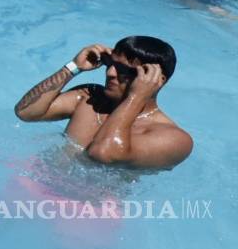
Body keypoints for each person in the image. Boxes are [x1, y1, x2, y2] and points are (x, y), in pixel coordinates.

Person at [13, 37, 192, 169]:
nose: (110, 73)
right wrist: (73, 67)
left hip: (89, 208)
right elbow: (26, 112)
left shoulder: (174, 138)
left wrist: (137, 97)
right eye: (109, 64)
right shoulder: (90, 98)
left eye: (124, 70)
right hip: (35, 179)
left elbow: (102, 153)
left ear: (157, 80)